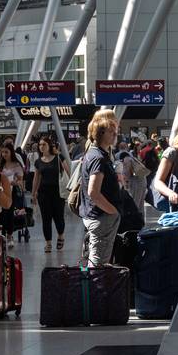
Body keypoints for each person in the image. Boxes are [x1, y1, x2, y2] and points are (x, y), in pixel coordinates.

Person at [79, 111, 123, 269]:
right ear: (100, 133)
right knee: (98, 266)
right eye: (111, 131)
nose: (115, 134)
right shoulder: (98, 158)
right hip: (101, 218)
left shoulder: (95, 154)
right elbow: (93, 192)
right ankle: (94, 292)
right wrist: (112, 211)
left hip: (96, 216)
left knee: (97, 262)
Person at [30, 136, 69, 253]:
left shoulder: (58, 158)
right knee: (46, 219)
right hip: (43, 193)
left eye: (44, 145)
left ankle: (61, 236)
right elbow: (36, 178)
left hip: (58, 193)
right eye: (40, 145)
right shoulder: (38, 162)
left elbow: (67, 171)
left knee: (58, 217)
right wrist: (33, 193)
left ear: (49, 146)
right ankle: (48, 243)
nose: (41, 147)